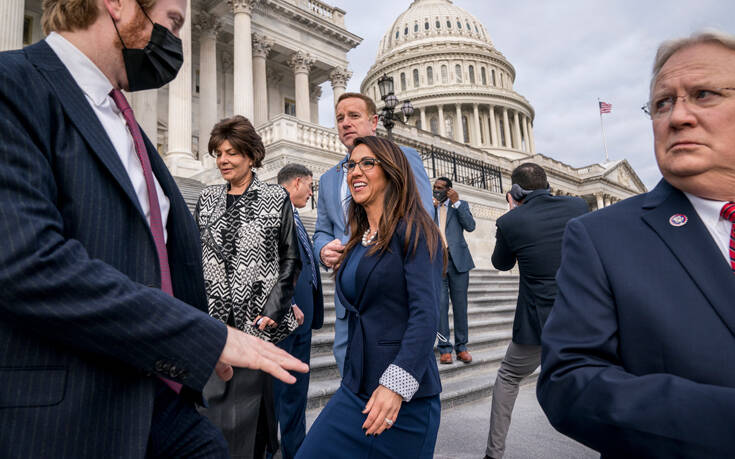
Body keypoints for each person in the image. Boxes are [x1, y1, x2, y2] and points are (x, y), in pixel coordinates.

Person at [0, 0, 308, 456]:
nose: (175, 42)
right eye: (173, 22)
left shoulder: (122, 118)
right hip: (65, 413)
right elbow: (26, 260)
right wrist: (202, 336)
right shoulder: (13, 83)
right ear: (119, 5)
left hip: (154, 394)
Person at [536, 30, 735, 458]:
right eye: (663, 103)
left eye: (703, 94)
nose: (677, 116)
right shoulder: (602, 236)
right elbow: (568, 382)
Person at [297, 136, 444, 458]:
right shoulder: (358, 239)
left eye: (367, 163)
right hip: (356, 387)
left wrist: (396, 385)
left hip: (403, 397)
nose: (354, 172)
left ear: (392, 172)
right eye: (351, 165)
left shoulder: (416, 229)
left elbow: (426, 315)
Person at [195, 115, 302, 458]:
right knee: (211, 417)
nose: (223, 160)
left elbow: (291, 260)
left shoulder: (276, 198)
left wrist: (274, 308)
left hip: (258, 324)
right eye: (218, 153)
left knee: (253, 422)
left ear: (251, 155)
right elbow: (193, 256)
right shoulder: (207, 198)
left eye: (231, 153)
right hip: (214, 325)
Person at [313, 92, 434, 376]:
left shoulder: (404, 158)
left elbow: (423, 218)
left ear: (374, 121)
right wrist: (322, 250)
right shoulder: (330, 178)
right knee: (350, 375)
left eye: (354, 116)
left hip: (392, 294)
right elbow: (321, 230)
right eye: (340, 118)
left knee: (395, 380)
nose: (345, 123)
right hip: (349, 302)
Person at [484, 163, 588, 459]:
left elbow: (501, 263)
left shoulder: (511, 221)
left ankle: (494, 453)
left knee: (507, 377)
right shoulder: (578, 205)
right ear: (547, 185)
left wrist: (512, 212)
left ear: (515, 191)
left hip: (539, 322)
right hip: (580, 316)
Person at [273, 164, 324, 459]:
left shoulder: (295, 215)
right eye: (309, 186)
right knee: (279, 394)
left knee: (295, 394)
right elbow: (268, 263)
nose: (311, 191)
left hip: (301, 320)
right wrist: (286, 301)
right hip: (284, 318)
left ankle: (295, 451)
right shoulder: (273, 213)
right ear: (296, 182)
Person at [433, 177, 476, 364]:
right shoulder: (428, 207)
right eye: (435, 187)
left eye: (441, 188)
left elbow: (470, 226)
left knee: (460, 306)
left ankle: (462, 347)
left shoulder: (460, 205)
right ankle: (444, 349)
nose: (437, 190)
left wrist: (456, 202)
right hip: (437, 262)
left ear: (449, 190)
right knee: (440, 307)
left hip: (458, 262)